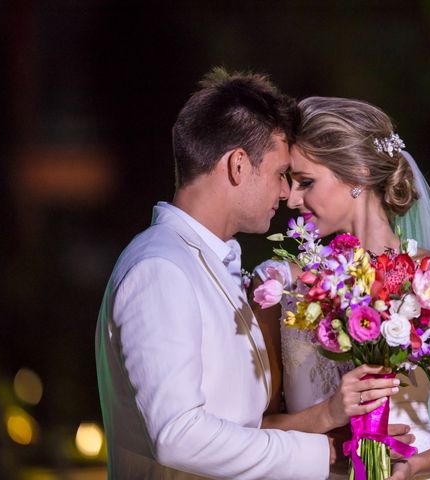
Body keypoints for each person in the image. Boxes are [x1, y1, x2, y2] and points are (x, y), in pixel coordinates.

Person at [96, 69, 339, 479]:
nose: (285, 193)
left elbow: (237, 424)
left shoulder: (204, 264)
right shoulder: (160, 269)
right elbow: (178, 434)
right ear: (238, 165)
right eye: (280, 174)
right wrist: (319, 457)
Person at [253, 97, 430, 480]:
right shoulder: (281, 286)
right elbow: (258, 427)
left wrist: (414, 465)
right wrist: (328, 419)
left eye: (306, 182)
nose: (292, 199)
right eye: (290, 183)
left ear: (357, 174)